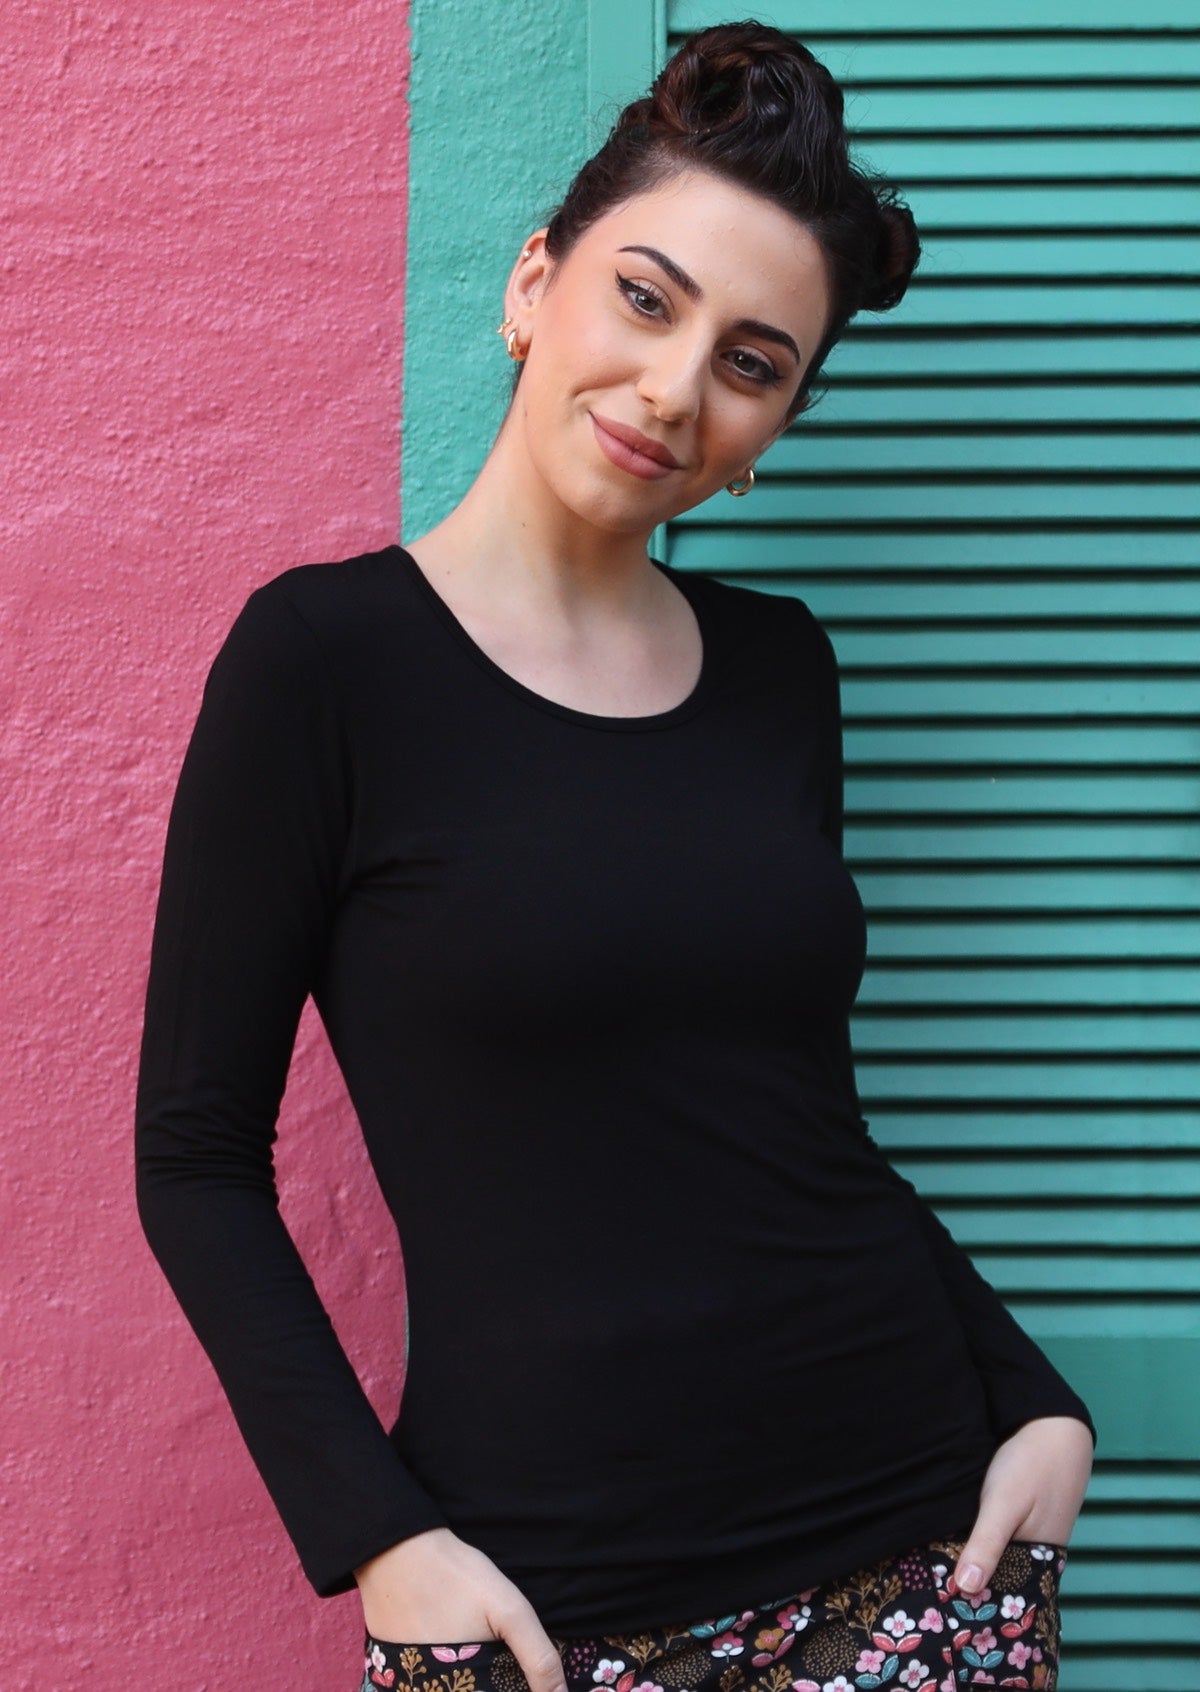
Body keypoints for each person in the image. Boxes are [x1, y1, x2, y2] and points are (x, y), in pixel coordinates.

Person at [134, 20, 1096, 1692]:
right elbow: (196, 1156)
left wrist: (1033, 1398)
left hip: (918, 1548)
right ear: (534, 282)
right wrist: (380, 1536)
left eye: (752, 359)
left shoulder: (785, 674)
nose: (674, 386)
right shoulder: (322, 664)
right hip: (540, 1599)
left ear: (773, 428)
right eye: (647, 299)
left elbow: (797, 1119)